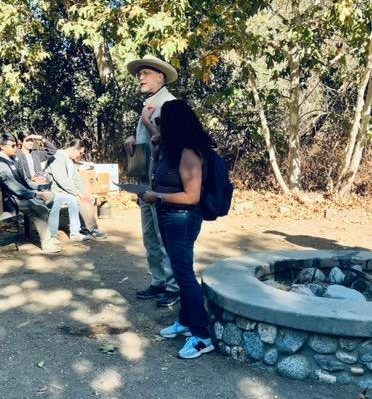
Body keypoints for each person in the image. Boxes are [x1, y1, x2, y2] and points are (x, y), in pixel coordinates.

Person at [140, 100, 215, 359]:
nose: (159, 126)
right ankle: (185, 321)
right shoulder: (171, 150)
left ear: (175, 123)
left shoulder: (189, 153)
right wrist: (155, 149)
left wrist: (158, 198)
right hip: (168, 217)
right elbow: (154, 179)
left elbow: (192, 196)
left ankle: (202, 336)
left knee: (184, 275)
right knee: (179, 270)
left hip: (182, 219)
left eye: (161, 122)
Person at [125, 54, 180, 307]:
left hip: (162, 182)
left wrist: (146, 122)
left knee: (163, 234)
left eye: (145, 73)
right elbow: (147, 143)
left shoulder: (169, 104)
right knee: (149, 235)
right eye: (140, 74)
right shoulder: (149, 103)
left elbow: (166, 141)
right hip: (145, 180)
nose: (140, 77)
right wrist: (132, 143)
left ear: (161, 76)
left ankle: (173, 286)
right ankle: (158, 281)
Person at [15, 133, 89, 242]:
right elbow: (21, 177)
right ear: (21, 142)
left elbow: (53, 151)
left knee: (72, 200)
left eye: (32, 140)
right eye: (28, 140)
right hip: (28, 189)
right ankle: (53, 235)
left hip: (41, 187)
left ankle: (75, 233)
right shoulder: (17, 155)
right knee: (55, 201)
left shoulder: (35, 154)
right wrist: (34, 183)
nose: (31, 142)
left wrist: (41, 138)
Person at [0, 134, 60, 253]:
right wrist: (35, 195)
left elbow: (25, 180)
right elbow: (14, 187)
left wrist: (39, 189)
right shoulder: (2, 164)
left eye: (16, 145)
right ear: (2, 147)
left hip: (22, 194)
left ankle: (47, 235)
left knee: (50, 196)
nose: (15, 148)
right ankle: (47, 243)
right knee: (39, 208)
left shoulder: (12, 159)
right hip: (11, 199)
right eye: (12, 146)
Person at [46, 139, 107, 239]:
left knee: (87, 197)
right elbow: (62, 181)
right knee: (81, 200)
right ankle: (92, 229)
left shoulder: (70, 161)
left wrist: (84, 192)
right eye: (80, 153)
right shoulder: (57, 158)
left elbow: (77, 179)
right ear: (74, 149)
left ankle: (84, 227)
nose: (80, 155)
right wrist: (78, 193)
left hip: (67, 190)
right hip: (56, 191)